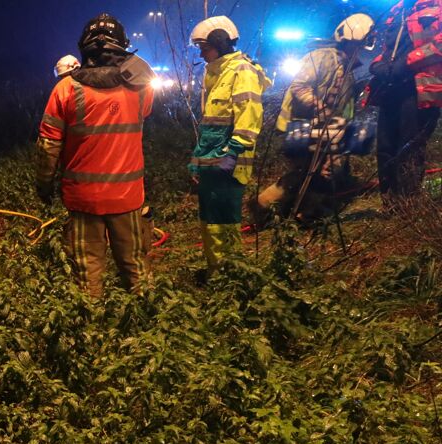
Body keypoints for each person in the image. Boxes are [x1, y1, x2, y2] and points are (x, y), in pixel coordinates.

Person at [36, 13, 155, 297]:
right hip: (127, 197)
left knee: (86, 275)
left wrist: (44, 184)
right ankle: (148, 327)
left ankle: (91, 332)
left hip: (83, 199)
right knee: (137, 268)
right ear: (122, 45)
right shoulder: (141, 88)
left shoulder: (65, 89)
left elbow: (48, 145)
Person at [251, 14, 374, 228]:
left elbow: (342, 105)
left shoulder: (345, 67)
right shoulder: (322, 57)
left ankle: (303, 213)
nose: (359, 49)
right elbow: (299, 86)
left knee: (321, 171)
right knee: (307, 172)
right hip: (301, 125)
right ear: (348, 40)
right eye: (358, 44)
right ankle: (265, 207)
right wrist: (321, 108)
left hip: (324, 128)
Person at [188, 16, 271, 272]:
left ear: (220, 42)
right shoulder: (217, 73)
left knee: (224, 220)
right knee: (211, 221)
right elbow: (211, 126)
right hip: (212, 162)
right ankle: (218, 271)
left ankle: (230, 275)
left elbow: (249, 116)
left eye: (205, 47)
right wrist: (197, 161)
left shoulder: (241, 71)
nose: (202, 54)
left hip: (228, 163)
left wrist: (232, 153)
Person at [367, 0, 442, 208]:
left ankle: (408, 208)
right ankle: (390, 204)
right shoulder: (395, 10)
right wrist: (377, 65)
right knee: (385, 147)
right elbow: (388, 50)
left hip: (419, 89)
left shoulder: (437, 6)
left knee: (410, 146)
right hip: (391, 89)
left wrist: (408, 62)